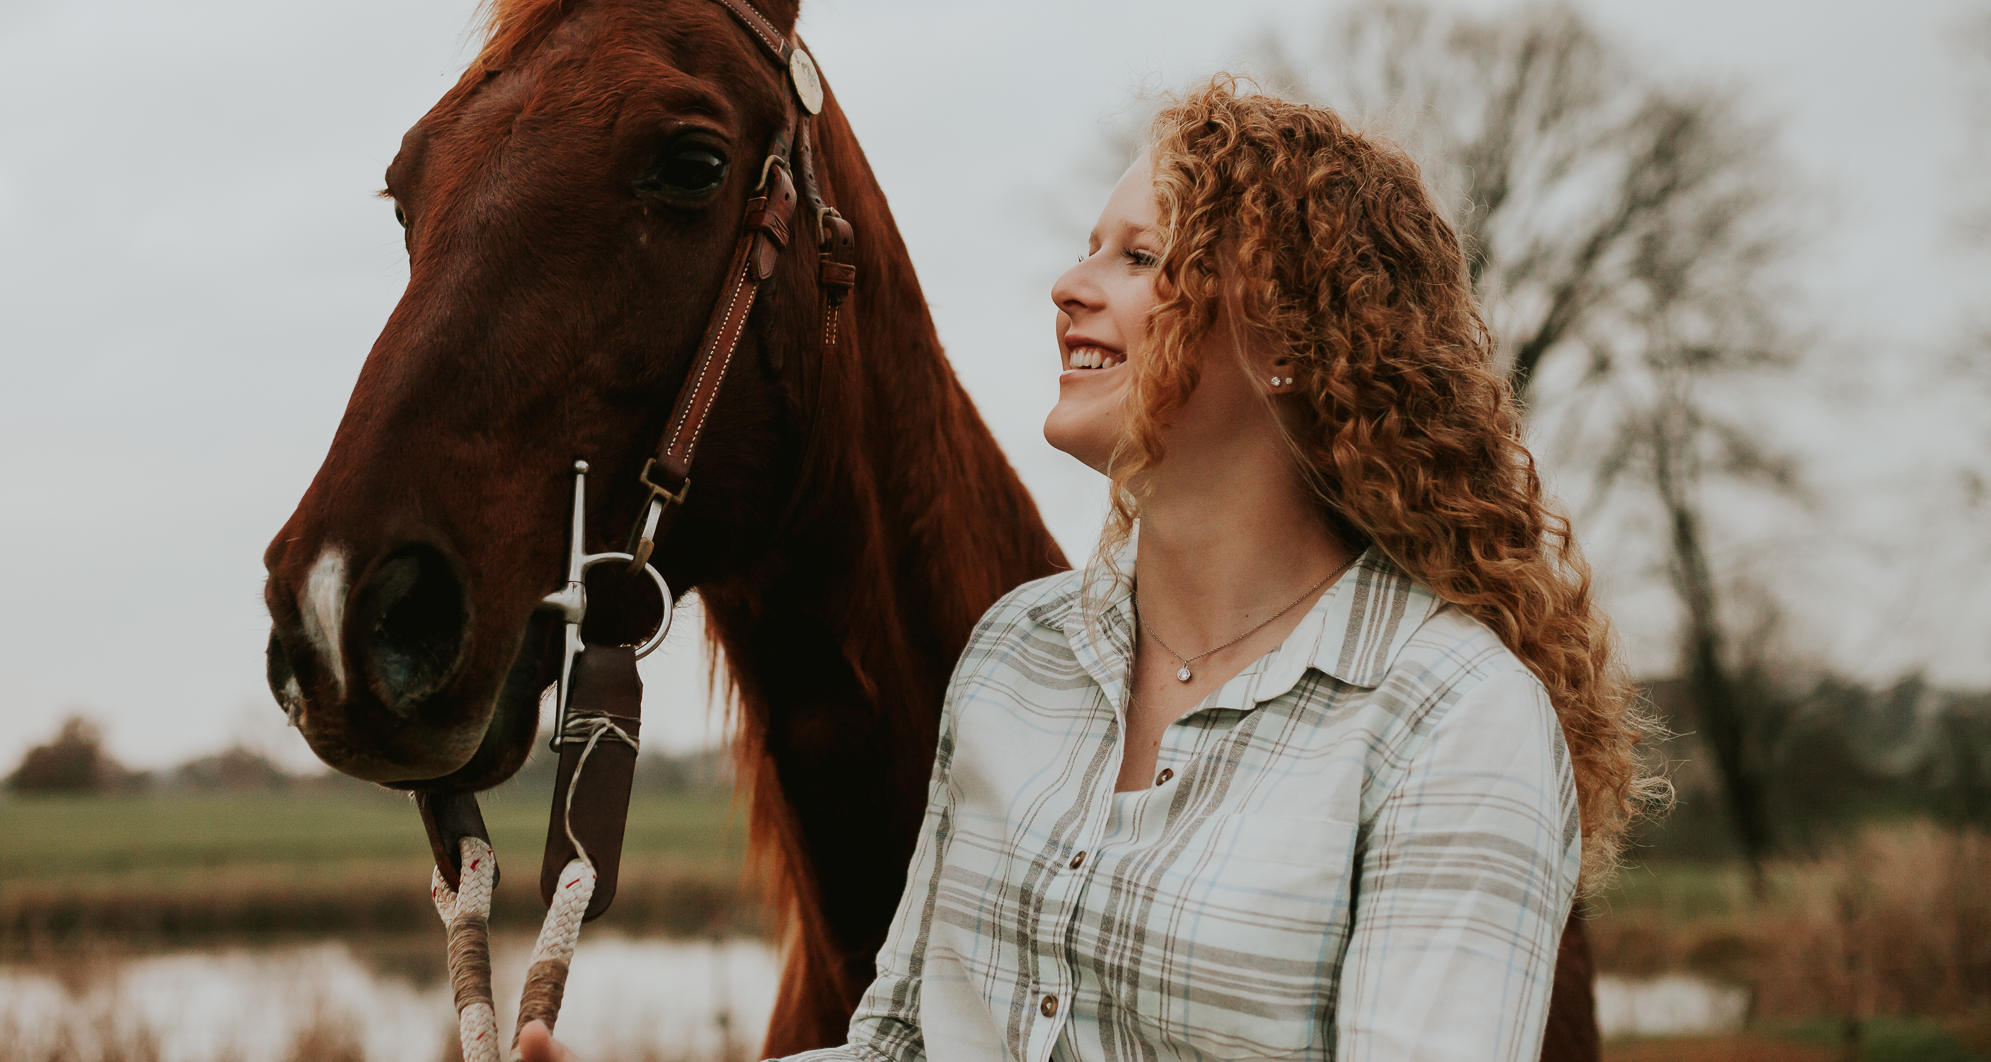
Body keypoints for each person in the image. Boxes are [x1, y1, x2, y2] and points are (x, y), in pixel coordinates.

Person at [521, 78, 1648, 1062]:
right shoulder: (1016, 655)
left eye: (1142, 256)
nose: (1070, 283)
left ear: (1297, 341)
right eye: (1088, 242)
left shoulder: (1456, 723)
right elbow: (902, 1043)